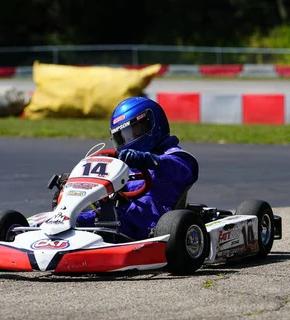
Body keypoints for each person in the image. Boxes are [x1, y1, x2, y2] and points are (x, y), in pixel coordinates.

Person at [75, 96, 199, 240]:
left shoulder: (177, 156)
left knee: (137, 208)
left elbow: (178, 170)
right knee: (88, 214)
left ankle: (100, 233)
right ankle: (70, 224)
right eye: (123, 136)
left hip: (152, 219)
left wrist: (150, 160)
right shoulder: (125, 163)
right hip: (121, 213)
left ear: (152, 124)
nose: (128, 140)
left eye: (135, 132)